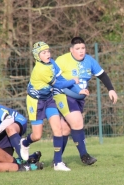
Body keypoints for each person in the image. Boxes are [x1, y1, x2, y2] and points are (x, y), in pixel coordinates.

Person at [19, 42, 88, 171]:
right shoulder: (40, 69)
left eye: (48, 51)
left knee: (58, 130)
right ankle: (24, 143)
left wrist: (78, 90)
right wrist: (74, 80)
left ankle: (58, 163)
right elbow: (58, 85)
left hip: (48, 99)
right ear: (37, 56)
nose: (47, 54)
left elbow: (61, 78)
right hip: (36, 102)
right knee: (37, 135)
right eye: (43, 53)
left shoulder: (52, 63)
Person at [53, 37, 118, 165]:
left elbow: (102, 74)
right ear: (71, 50)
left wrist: (111, 89)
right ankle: (84, 156)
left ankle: (57, 161)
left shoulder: (89, 60)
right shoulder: (62, 60)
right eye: (77, 49)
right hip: (64, 96)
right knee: (77, 122)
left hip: (79, 98)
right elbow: (52, 77)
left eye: (83, 48)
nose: (81, 51)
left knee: (65, 129)